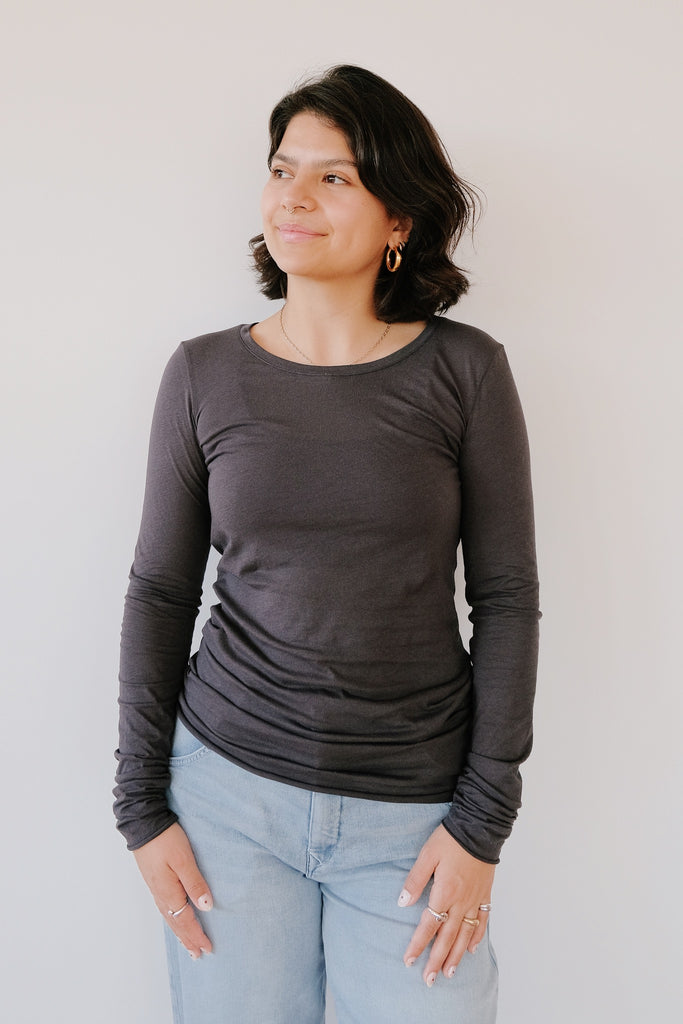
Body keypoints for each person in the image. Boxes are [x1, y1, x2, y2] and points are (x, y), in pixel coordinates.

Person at [114, 64, 540, 1024]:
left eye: (334, 177)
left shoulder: (465, 371)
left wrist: (482, 823)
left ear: (399, 220)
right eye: (282, 170)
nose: (293, 196)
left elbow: (507, 598)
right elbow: (159, 591)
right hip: (225, 800)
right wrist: (141, 808)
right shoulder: (203, 373)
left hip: (415, 818)